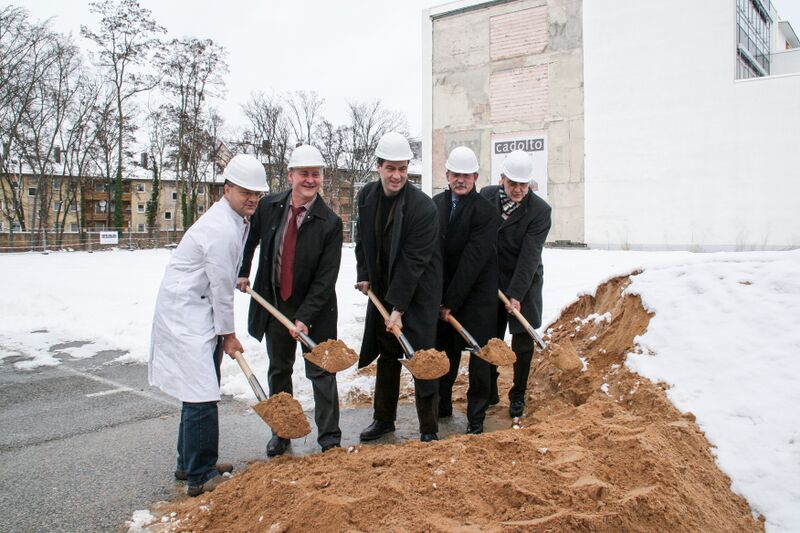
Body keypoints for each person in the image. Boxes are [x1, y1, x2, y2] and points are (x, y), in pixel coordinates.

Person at [149, 154, 269, 497]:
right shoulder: (220, 228)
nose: (253, 199)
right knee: (202, 392)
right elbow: (220, 288)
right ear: (227, 188)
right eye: (247, 191)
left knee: (197, 388)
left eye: (257, 194)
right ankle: (199, 474)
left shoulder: (233, 219)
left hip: (196, 308)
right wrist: (228, 335)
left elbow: (224, 281)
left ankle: (189, 462)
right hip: (186, 313)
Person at [236, 144, 343, 457]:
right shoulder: (270, 206)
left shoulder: (330, 222)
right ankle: (281, 431)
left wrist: (305, 317)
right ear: (290, 175)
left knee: (321, 373)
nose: (310, 180)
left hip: (316, 310)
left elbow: (327, 278)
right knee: (279, 370)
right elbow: (250, 239)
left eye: (315, 174)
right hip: (276, 304)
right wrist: (243, 271)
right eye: (304, 174)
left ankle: (329, 438)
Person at [354, 131, 443, 442]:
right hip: (382, 289)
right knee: (388, 355)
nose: (397, 175)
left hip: (417, 294)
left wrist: (399, 309)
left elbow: (413, 262)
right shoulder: (365, 197)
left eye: (403, 169)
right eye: (390, 168)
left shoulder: (423, 208)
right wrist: (364, 273)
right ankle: (383, 419)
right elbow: (362, 240)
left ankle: (429, 429)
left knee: (422, 359)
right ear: (378, 167)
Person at [480, 149, 551, 419]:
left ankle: (517, 394)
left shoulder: (540, 211)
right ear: (502, 180)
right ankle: (489, 389)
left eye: (523, 184)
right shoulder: (486, 197)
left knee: (523, 339)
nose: (519, 189)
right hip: (491, 277)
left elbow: (530, 255)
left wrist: (516, 294)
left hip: (526, 280)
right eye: (513, 184)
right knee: (490, 336)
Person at [433, 146, 498, 435]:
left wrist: (451, 301)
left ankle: (476, 416)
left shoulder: (485, 211)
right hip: (444, 292)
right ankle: (442, 405)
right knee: (445, 352)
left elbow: (473, 261)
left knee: (478, 354)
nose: (461, 180)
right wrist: (438, 298)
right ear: (447, 175)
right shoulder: (434, 205)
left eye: (467, 175)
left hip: (477, 295)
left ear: (476, 177)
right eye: (455, 174)